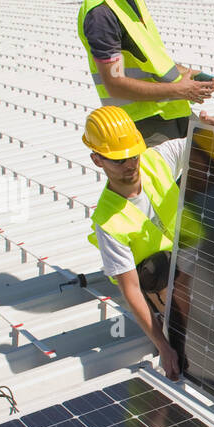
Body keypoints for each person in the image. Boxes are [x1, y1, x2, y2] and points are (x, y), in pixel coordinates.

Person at [82, 106, 202, 381]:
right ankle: (169, 315)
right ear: (97, 160)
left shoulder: (155, 160)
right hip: (161, 279)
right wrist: (163, 345)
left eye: (133, 155)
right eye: (119, 160)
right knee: (157, 270)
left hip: (192, 254)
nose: (130, 165)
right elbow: (131, 289)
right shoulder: (108, 221)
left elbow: (203, 142)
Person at [77, 0, 214, 147]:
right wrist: (180, 90)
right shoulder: (100, 11)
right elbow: (115, 83)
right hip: (145, 126)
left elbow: (147, 56)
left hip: (171, 113)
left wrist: (186, 74)